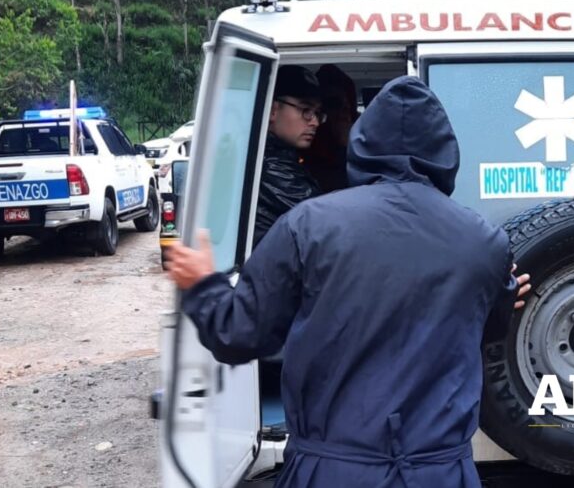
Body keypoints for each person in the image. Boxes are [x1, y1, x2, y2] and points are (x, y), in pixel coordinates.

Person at [166, 76, 530, 488]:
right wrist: (504, 297)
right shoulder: (484, 241)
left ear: (364, 142)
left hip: (332, 472)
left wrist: (202, 284)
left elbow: (239, 334)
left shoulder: (307, 225)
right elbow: (486, 329)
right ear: (445, 151)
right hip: (441, 474)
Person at [254, 65, 325, 247]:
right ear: (272, 110)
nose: (315, 122)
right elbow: (323, 222)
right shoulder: (270, 168)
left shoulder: (282, 158)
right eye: (305, 110)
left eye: (317, 113)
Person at [301, 64, 359, 193]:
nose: (343, 113)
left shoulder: (364, 139)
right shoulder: (304, 140)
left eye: (348, 104)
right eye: (333, 104)